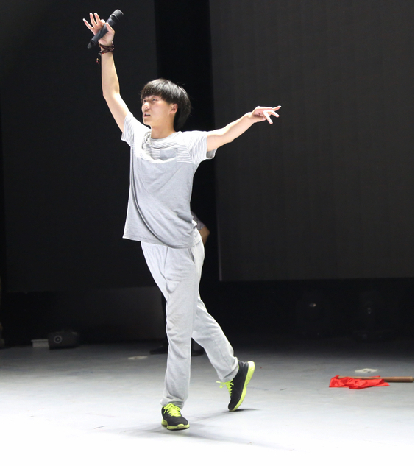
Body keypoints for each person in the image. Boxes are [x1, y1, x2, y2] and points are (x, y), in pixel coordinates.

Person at [83, 13, 281, 431]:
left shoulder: (188, 144)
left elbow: (224, 134)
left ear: (173, 107)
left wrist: (250, 117)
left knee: (176, 328)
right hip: (150, 246)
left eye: (154, 99)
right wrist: (107, 48)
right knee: (192, 315)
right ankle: (235, 371)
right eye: (144, 99)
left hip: (181, 249)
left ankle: (172, 403)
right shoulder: (136, 137)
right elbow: (111, 94)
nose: (145, 104)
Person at [150, 212, 210, 357]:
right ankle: (172, 343)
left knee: (188, 305)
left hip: (182, 267)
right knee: (170, 304)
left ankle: (195, 344)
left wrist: (193, 257)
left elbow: (204, 232)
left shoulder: (181, 211)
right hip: (170, 267)